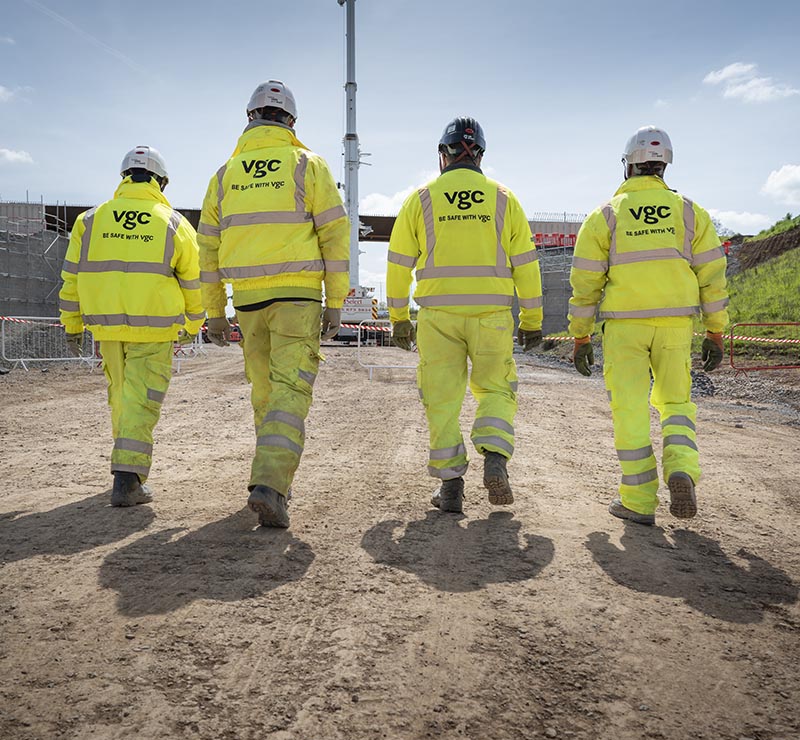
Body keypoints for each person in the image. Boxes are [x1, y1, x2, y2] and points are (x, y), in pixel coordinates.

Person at [197, 80, 349, 528]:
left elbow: (207, 251)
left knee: (264, 393)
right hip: (298, 297)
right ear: (291, 122)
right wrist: (336, 301)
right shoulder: (309, 166)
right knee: (290, 391)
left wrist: (214, 313)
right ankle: (271, 483)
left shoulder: (223, 176)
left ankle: (273, 478)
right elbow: (335, 238)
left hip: (247, 302)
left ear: (250, 118)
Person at [568, 125, 729, 525]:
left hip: (625, 329)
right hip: (676, 325)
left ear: (628, 167)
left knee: (631, 410)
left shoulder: (605, 216)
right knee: (676, 404)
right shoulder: (691, 213)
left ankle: (639, 502)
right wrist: (714, 331)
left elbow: (585, 283)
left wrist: (581, 336)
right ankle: (681, 469)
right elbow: (713, 276)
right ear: (664, 166)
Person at [386, 117, 543, 513]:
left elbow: (398, 264)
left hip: (438, 318)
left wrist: (398, 316)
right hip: (491, 315)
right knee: (495, 388)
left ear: (443, 155)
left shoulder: (421, 198)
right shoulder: (504, 199)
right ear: (481, 156)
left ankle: (451, 487)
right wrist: (533, 321)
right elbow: (527, 265)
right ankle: (494, 456)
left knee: (442, 399)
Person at [59, 146, 204, 506]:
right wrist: (195, 321)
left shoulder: (89, 221)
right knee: (141, 401)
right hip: (154, 330)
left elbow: (71, 277)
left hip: (106, 329)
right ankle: (127, 479)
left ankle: (127, 466)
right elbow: (193, 281)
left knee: (122, 399)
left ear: (124, 177)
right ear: (161, 181)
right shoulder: (174, 223)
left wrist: (72, 323)